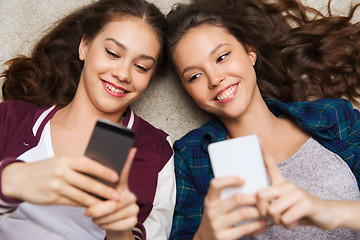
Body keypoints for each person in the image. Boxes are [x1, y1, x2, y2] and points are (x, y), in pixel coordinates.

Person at [166, 0, 360, 239]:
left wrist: (328, 210)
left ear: (250, 53)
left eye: (222, 57)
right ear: (188, 90)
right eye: (195, 76)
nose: (215, 78)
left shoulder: (333, 117)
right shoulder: (190, 156)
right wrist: (206, 234)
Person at [0, 0, 175, 239]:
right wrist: (10, 182)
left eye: (141, 67)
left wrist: (118, 229)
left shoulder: (157, 151)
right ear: (84, 46)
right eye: (113, 53)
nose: (122, 74)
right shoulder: (11, 118)